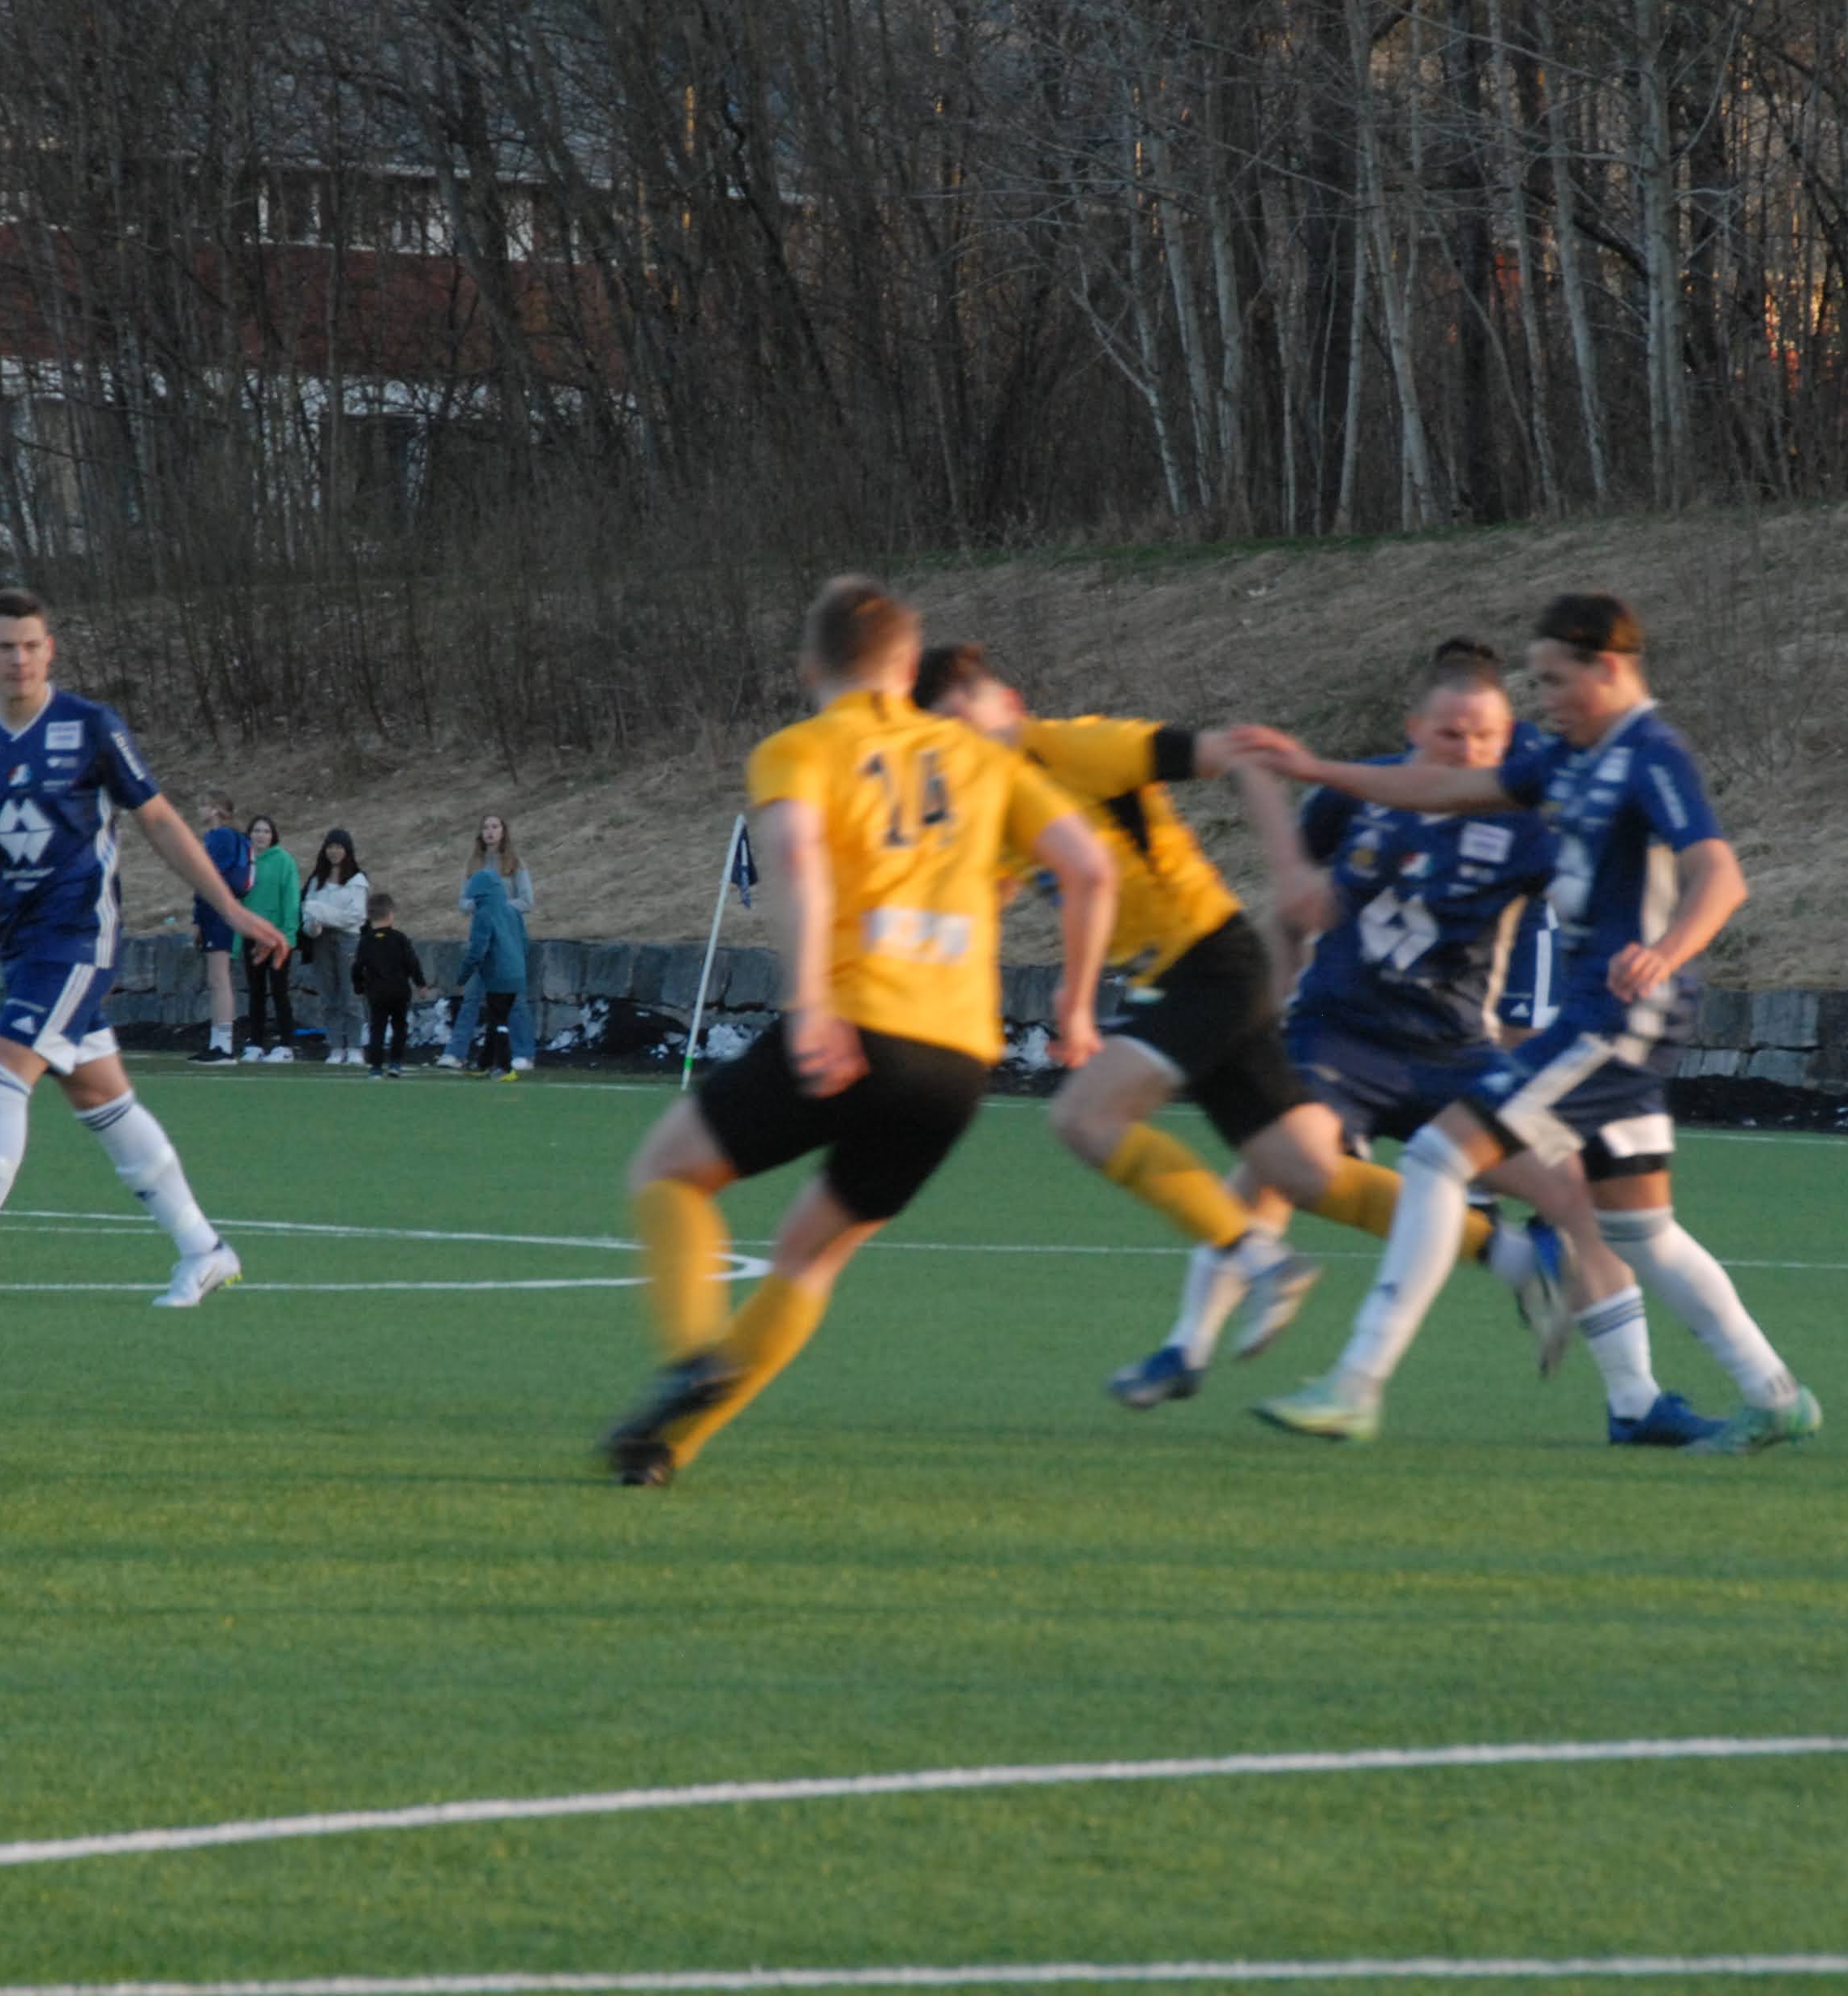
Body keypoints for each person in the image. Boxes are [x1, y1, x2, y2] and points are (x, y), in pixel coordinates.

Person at [1234, 592, 1823, 1455]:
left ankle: (1354, 1386)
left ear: (1607, 668)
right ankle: (1771, 1396)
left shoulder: (1651, 754)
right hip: (1605, 1018)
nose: (1540, 700)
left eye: (1552, 681)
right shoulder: (1567, 759)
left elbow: (1720, 876)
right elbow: (1440, 786)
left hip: (1616, 1019)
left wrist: (1664, 951)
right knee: (1639, 1230)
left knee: (1436, 1156)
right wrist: (1319, 770)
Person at [601, 575, 1117, 1486]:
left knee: (669, 1173)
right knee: (809, 1259)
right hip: (957, 1063)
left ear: (810, 666)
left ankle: (691, 1355)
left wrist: (810, 1004)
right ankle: (664, 1446)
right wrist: (1074, 1010)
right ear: (907, 668)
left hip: (856, 1021)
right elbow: (1089, 871)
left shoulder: (800, 749)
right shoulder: (981, 760)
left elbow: (798, 860)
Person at [912, 641, 1422, 1368]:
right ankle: (1508, 1252)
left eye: (969, 722)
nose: (965, 745)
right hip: (1178, 980)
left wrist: (1288, 870)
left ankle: (1257, 1267)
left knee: (1085, 1116)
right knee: (1307, 1171)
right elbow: (986, 896)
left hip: (1211, 963)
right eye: (945, 737)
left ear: (1012, 705)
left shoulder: (1080, 749)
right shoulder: (990, 804)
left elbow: (1238, 754)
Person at [0, 588, 289, 1310]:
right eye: (5, 646)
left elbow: (160, 821)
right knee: (103, 1099)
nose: (19, 659)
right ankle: (204, 1250)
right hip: (21, 943)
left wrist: (229, 907)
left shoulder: (91, 726)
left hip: (79, 937)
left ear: (50, 651)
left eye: (31, 645)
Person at [442, 863, 536, 1079]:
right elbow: (524, 943)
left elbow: (477, 951)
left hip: (497, 976)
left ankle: (505, 1067)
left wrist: (463, 977)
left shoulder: (483, 915)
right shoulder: (513, 912)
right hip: (517, 974)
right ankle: (484, 1064)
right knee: (496, 1018)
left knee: (500, 1021)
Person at [189, 793, 252, 1063]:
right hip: (213, 910)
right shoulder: (218, 837)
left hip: (218, 909)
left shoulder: (221, 837)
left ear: (215, 809)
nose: (200, 811)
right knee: (216, 978)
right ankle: (216, 1041)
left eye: (203, 805)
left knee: (219, 977)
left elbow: (208, 875)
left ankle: (224, 1045)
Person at [301, 828, 369, 1066]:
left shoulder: (357, 881)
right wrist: (313, 925)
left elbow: (355, 916)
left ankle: (355, 1046)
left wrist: (321, 912)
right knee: (329, 996)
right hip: (321, 941)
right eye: (330, 847)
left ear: (347, 850)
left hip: (348, 941)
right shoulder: (316, 880)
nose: (334, 851)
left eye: (339, 847)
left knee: (351, 995)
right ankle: (336, 1046)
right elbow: (307, 911)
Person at [239, 814, 299, 1062]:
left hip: (277, 938)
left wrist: (288, 935)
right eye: (256, 830)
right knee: (255, 991)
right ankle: (255, 1043)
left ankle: (285, 1045)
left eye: (266, 831)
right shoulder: (244, 860)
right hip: (251, 936)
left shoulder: (284, 861)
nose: (261, 835)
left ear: (273, 835)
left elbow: (291, 900)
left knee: (279, 990)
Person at [354, 892, 426, 1078]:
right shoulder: (399, 938)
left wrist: (358, 987)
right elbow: (412, 962)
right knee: (400, 1026)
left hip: (376, 992)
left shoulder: (366, 940)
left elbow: (358, 966)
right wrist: (420, 984)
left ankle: (376, 1067)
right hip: (399, 990)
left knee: (377, 1028)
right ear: (390, 914)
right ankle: (395, 1063)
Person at [462, 814, 536, 919]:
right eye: (485, 827)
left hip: (509, 925)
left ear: (503, 832)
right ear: (481, 833)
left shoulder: (515, 862)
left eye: (495, 827)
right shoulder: (473, 864)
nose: (490, 831)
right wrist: (476, 904)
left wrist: (498, 905)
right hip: (482, 926)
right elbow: (463, 902)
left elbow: (527, 902)